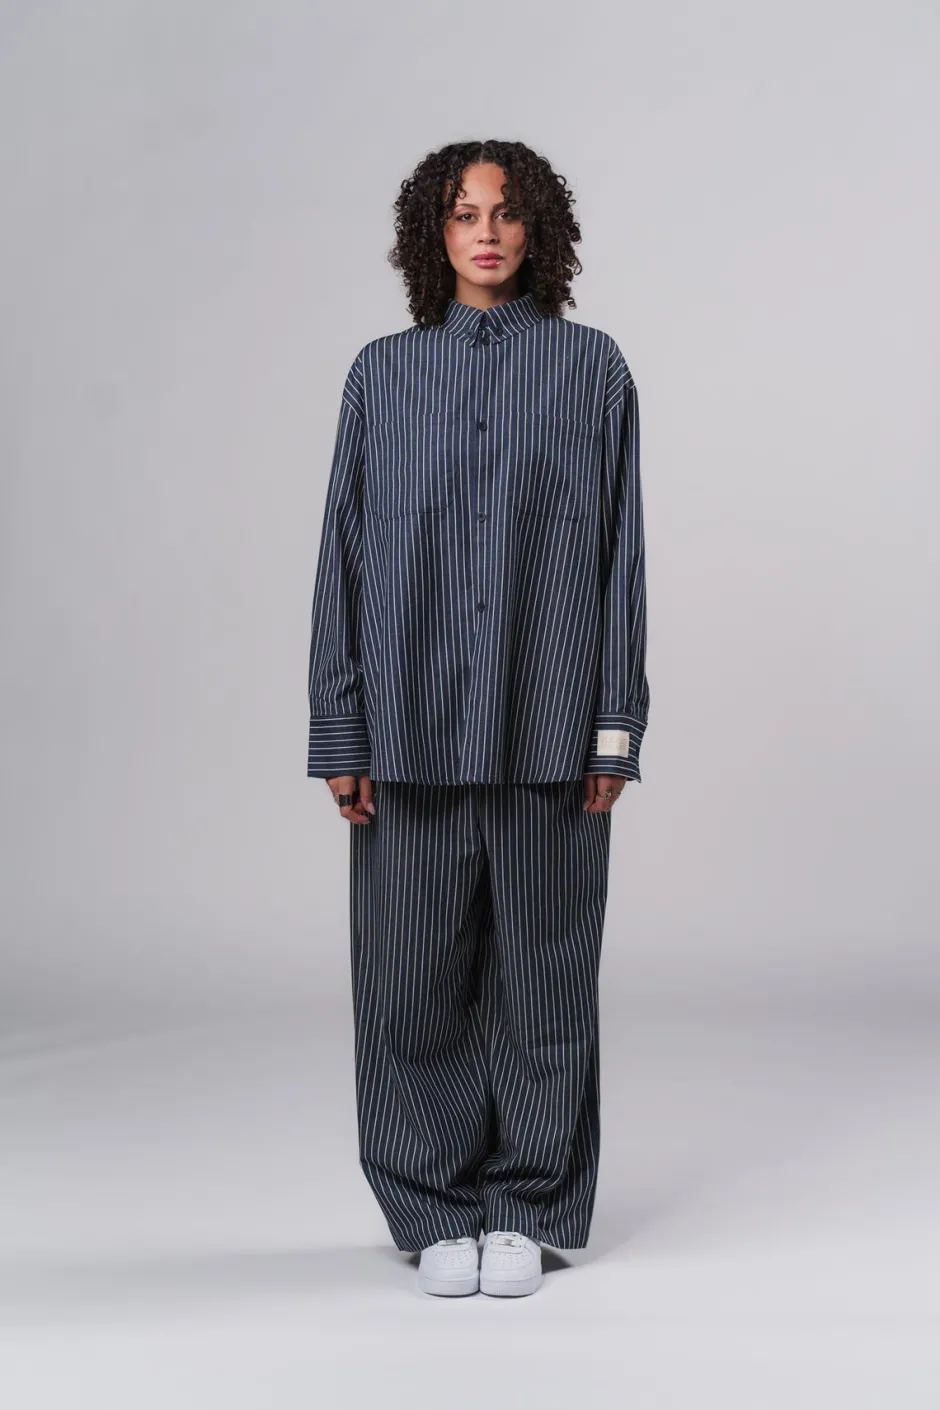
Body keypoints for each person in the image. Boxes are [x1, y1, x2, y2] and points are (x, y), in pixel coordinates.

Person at [306, 138, 650, 1298]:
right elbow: (343, 559)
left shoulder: (593, 370)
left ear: (537, 228)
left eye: (505, 212)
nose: (486, 232)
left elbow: (620, 559)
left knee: (545, 981)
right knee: (409, 984)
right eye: (463, 213)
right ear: (434, 234)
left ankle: (529, 1203)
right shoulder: (381, 375)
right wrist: (341, 731)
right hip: (407, 730)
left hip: (552, 728)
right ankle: (432, 1204)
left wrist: (613, 726)